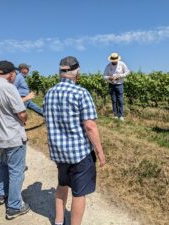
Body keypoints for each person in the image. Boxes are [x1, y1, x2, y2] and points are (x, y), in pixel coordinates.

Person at [43, 56, 106, 225]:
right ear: (76, 72)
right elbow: (90, 126)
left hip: (58, 152)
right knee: (79, 193)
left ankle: (58, 221)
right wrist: (100, 152)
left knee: (62, 185)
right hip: (79, 153)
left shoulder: (49, 93)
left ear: (60, 72)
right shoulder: (81, 92)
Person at [0, 60, 30, 220]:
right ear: (11, 74)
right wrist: (24, 119)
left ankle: (0, 193)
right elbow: (21, 114)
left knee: (3, 164)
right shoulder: (9, 88)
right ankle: (14, 206)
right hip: (13, 136)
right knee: (17, 171)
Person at [103, 52, 130, 121]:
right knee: (114, 100)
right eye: (113, 61)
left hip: (119, 85)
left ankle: (121, 115)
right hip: (111, 85)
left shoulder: (122, 64)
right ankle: (115, 115)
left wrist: (120, 76)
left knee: (120, 100)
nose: (114, 62)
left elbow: (127, 72)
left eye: (115, 60)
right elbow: (104, 76)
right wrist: (109, 77)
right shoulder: (108, 66)